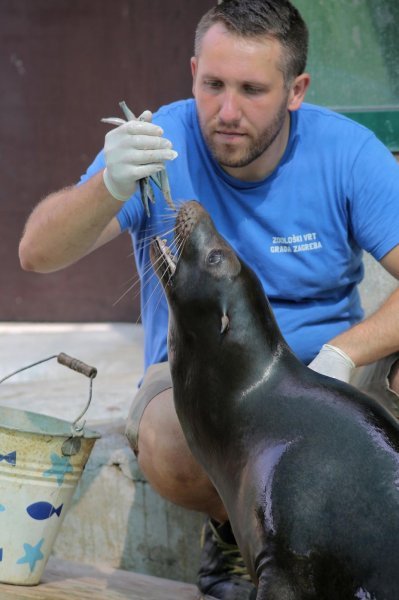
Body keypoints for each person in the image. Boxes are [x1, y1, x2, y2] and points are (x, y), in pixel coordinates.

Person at [19, 0, 399, 598]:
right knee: (170, 442)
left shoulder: (347, 153)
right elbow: (37, 254)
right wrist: (108, 185)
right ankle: (235, 534)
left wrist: (342, 356)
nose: (226, 111)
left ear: (296, 90)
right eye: (212, 85)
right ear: (193, 70)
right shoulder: (160, 144)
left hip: (327, 378)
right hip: (206, 382)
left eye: (252, 90)